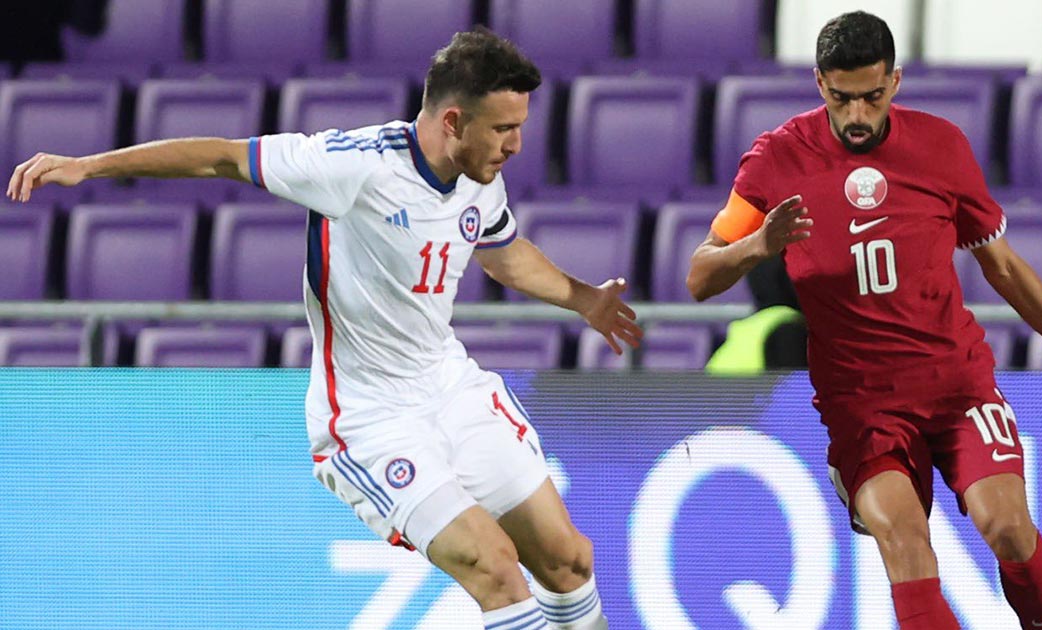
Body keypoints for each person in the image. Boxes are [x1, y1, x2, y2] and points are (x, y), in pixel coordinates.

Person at [8, 27, 636, 630]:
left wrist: (585, 300)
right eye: (503, 128)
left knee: (569, 560)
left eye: (519, 127)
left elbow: (501, 253)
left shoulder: (478, 177)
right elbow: (222, 158)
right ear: (453, 121)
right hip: (371, 418)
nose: (516, 145)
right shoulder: (352, 166)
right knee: (495, 568)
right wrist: (89, 166)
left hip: (451, 390)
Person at [687, 11, 1042, 630]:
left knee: (1008, 527)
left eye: (872, 96)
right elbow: (700, 276)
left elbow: (1003, 266)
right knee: (906, 544)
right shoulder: (776, 159)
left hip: (957, 383)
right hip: (862, 402)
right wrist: (757, 245)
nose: (857, 115)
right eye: (842, 98)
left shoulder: (941, 146)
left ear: (894, 81)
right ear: (819, 83)